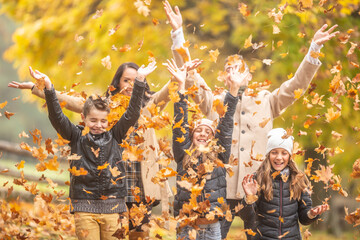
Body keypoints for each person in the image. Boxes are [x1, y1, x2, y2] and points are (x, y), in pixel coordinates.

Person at [163, 1, 339, 237]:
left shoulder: (267, 100)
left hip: (257, 192)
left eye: (238, 68)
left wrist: (313, 50)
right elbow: (189, 75)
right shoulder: (212, 100)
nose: (232, 72)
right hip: (219, 193)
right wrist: (177, 34)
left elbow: (296, 85)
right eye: (228, 69)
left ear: (248, 74)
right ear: (224, 76)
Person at [9, 61, 171, 239]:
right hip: (105, 186)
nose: (130, 85)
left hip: (136, 182)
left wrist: (181, 57)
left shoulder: (145, 107)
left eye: (135, 81)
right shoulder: (100, 107)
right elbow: (64, 106)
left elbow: (163, 93)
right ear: (117, 82)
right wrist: (40, 87)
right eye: (127, 80)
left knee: (139, 234)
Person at [167, 57, 248, 240]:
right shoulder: (183, 153)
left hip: (211, 227)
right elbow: (180, 122)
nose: (203, 134)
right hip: (186, 226)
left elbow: (226, 123)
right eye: (199, 131)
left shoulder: (219, 155)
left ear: (213, 137)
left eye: (208, 132)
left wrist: (233, 90)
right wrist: (181, 87)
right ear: (192, 135)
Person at [239, 128, 329, 239]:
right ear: (268, 155)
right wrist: (249, 197)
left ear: (290, 156)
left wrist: (312, 214)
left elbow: (303, 218)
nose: (279, 157)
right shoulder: (258, 178)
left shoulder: (299, 180)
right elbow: (246, 217)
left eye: (284, 153)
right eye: (274, 152)